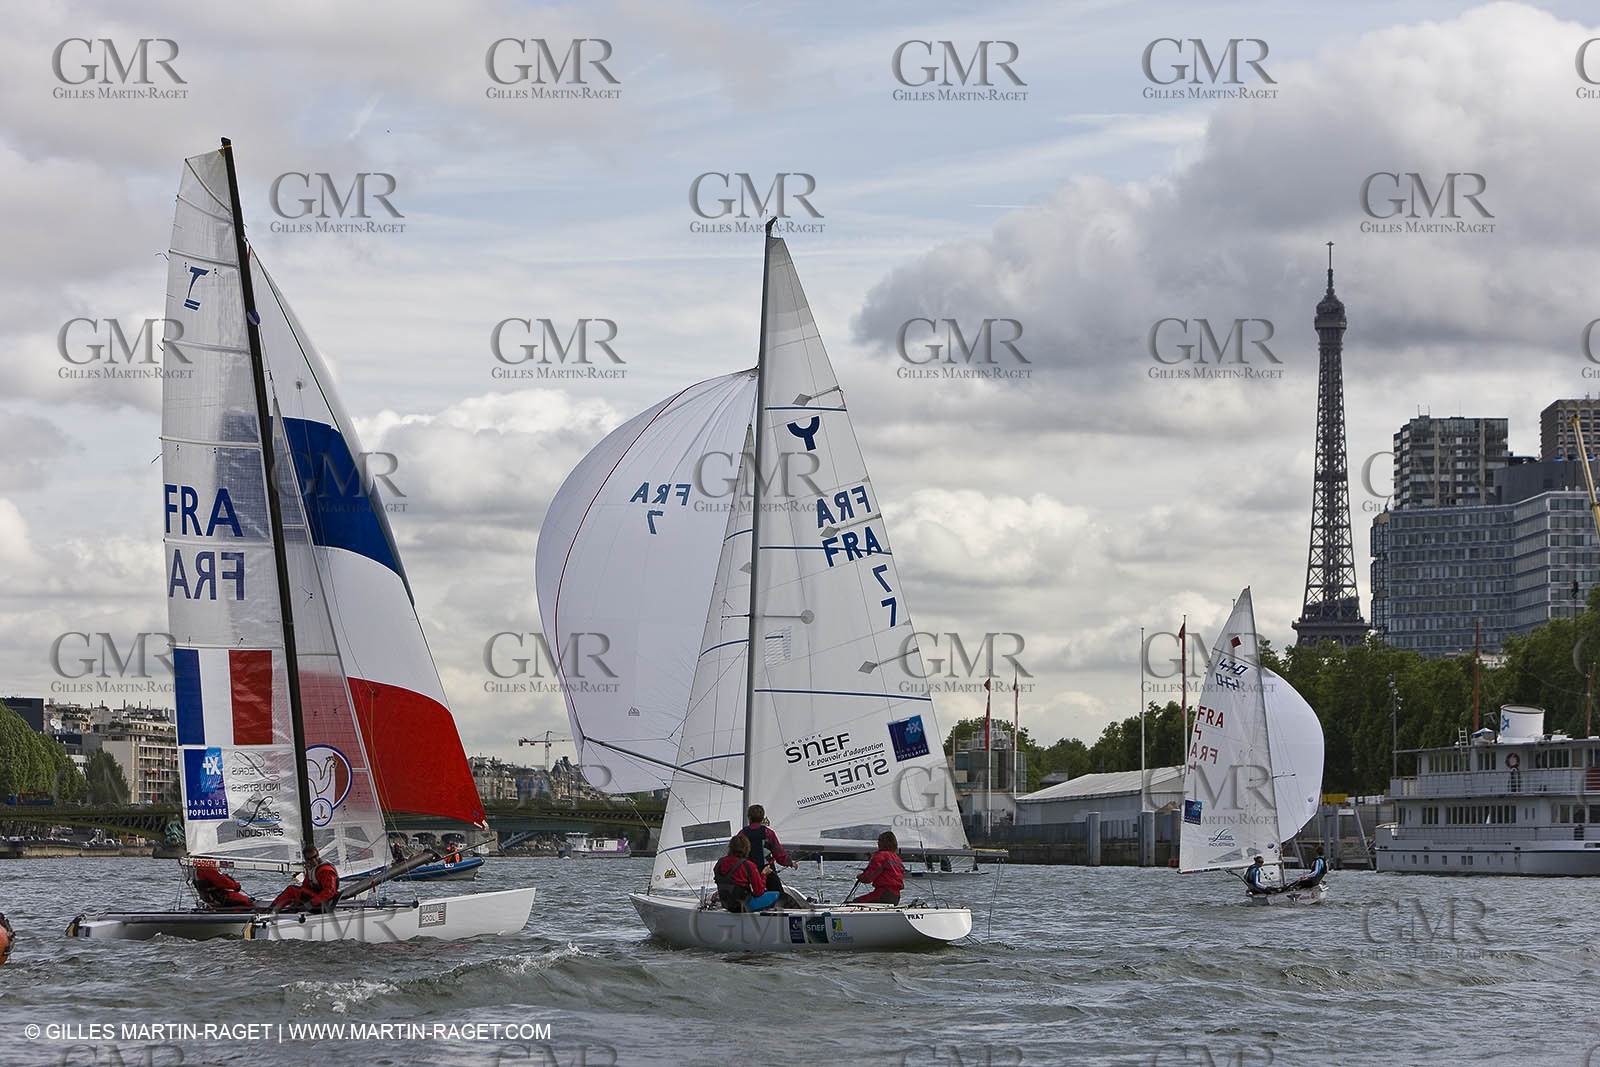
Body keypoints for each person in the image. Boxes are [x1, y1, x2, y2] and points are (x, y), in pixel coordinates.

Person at [713, 834, 780, 913]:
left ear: (730, 848)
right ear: (747, 849)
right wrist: (764, 874)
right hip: (743, 905)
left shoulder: (719, 863)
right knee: (780, 896)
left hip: (726, 904)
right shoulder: (748, 865)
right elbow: (759, 892)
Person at [742, 805, 796, 897]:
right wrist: (790, 863)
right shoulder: (768, 833)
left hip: (748, 872)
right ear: (762, 818)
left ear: (749, 817)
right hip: (767, 870)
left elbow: (737, 854)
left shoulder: (742, 833)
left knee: (750, 894)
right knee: (780, 896)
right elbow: (779, 853)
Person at [269, 845, 340, 913]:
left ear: (318, 854)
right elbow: (305, 887)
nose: (313, 860)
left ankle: (272, 909)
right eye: (309, 859)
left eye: (315, 857)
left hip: (325, 904)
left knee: (292, 890)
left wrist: (311, 903)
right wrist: (297, 901)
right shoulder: (311, 869)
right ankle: (277, 907)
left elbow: (329, 891)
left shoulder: (326, 870)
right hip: (318, 902)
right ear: (305, 859)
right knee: (296, 891)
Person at [854, 831, 905, 905]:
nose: (877, 843)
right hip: (896, 897)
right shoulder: (897, 858)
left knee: (855, 902)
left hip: (883, 894)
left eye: (879, 841)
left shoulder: (880, 856)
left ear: (882, 843)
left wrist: (860, 876)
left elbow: (868, 878)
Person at [191, 860, 256, 911]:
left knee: (248, 900)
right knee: (247, 902)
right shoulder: (206, 866)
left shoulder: (197, 866)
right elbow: (223, 882)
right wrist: (236, 886)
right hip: (218, 897)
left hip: (212, 896)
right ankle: (235, 919)